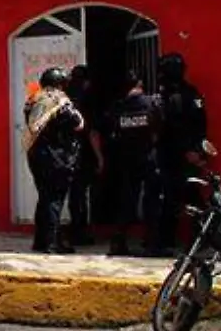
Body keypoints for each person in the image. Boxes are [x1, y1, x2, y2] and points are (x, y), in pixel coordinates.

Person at [23, 67, 84, 254]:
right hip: (55, 155)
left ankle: (40, 241)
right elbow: (78, 124)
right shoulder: (59, 101)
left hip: (35, 153)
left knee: (44, 197)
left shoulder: (33, 100)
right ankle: (52, 242)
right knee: (54, 199)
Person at [104, 70, 164, 256]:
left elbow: (112, 132)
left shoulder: (118, 107)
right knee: (152, 199)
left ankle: (118, 241)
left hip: (127, 157)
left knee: (128, 199)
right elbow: (159, 130)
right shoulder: (152, 103)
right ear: (140, 83)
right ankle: (152, 243)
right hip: (148, 156)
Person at [156, 52, 209, 252]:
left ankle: (197, 240)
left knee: (184, 197)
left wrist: (193, 150)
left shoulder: (182, 95)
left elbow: (196, 125)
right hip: (172, 154)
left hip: (181, 155)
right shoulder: (166, 94)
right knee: (175, 198)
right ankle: (168, 240)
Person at [64, 65, 103, 246]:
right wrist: (99, 156)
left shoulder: (64, 100)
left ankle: (73, 230)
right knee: (80, 194)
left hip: (65, 153)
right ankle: (79, 232)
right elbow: (92, 132)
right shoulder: (87, 101)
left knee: (73, 194)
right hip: (82, 153)